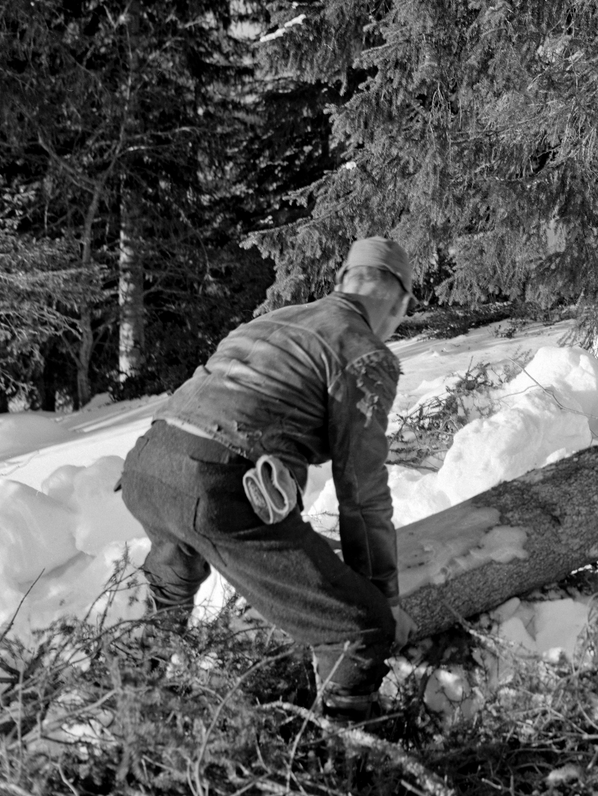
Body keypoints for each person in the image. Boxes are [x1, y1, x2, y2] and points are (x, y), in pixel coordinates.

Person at [120, 236, 416, 719]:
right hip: (215, 481)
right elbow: (361, 492)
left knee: (172, 587)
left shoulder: (275, 319)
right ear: (399, 301)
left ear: (344, 280)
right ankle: (346, 761)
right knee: (359, 628)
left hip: (148, 464)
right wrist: (383, 599)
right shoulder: (363, 351)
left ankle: (129, 708)